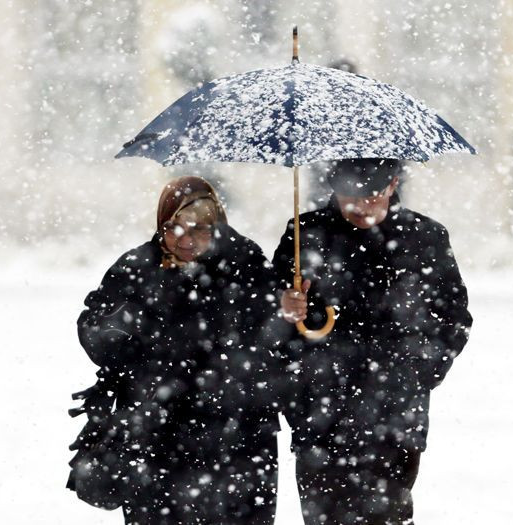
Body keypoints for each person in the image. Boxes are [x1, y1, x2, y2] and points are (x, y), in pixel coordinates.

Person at [71, 177, 281, 525]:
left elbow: (274, 336)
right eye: (173, 228)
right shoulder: (139, 267)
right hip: (158, 435)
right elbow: (93, 327)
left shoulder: (245, 265)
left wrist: (289, 312)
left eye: (198, 229)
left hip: (239, 438)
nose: (185, 239)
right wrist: (127, 333)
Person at [274, 158, 473, 525]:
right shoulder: (305, 234)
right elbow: (273, 323)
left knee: (389, 516)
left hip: (395, 414)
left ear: (394, 184)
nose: (361, 207)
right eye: (351, 196)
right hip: (321, 412)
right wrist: (285, 309)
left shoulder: (424, 237)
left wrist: (418, 372)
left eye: (373, 196)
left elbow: (454, 318)